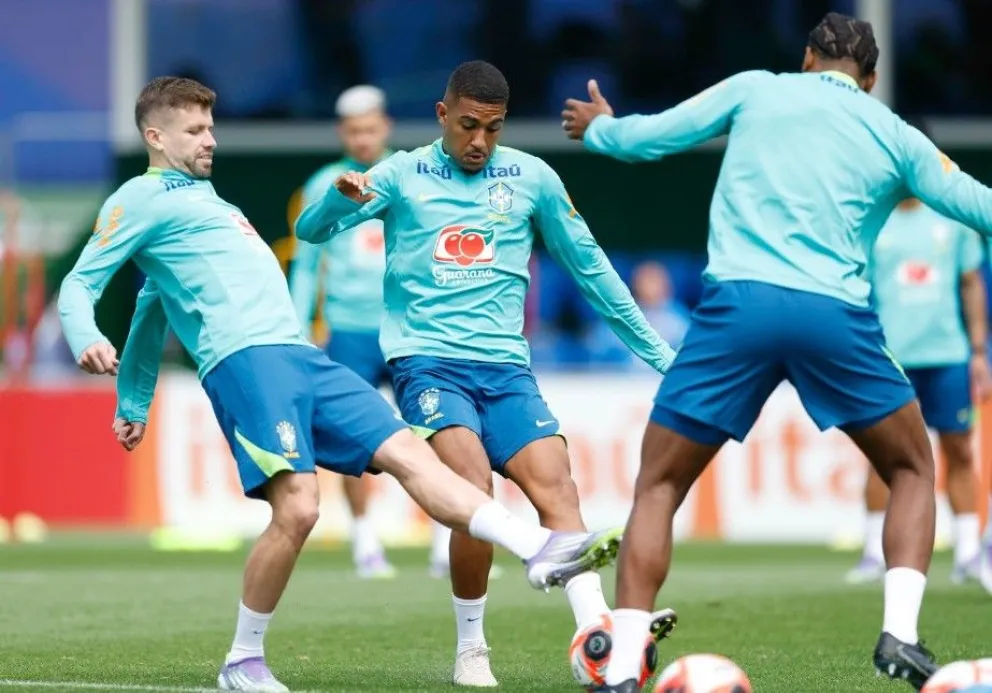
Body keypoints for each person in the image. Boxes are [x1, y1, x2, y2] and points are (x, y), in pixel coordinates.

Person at [58, 75, 625, 693]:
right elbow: (81, 283)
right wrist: (87, 335)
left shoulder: (210, 203)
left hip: (304, 356)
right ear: (154, 136)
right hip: (247, 363)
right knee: (300, 508)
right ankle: (243, 661)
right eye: (196, 131)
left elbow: (152, 303)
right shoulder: (137, 199)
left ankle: (539, 547)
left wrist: (134, 400)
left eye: (211, 127)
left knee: (411, 452)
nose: (211, 141)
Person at [562, 12, 992, 692]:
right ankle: (900, 635)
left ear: (806, 58)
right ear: (871, 79)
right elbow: (976, 202)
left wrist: (601, 128)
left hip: (737, 310)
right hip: (834, 318)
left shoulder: (755, 88)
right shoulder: (895, 132)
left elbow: (653, 136)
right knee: (912, 465)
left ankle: (618, 666)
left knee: (660, 484)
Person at [296, 60, 679, 688]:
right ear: (443, 115)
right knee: (472, 488)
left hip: (505, 368)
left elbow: (592, 270)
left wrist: (663, 357)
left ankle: (597, 633)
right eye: (468, 125)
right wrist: (334, 202)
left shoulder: (533, 178)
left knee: (557, 483)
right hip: (427, 363)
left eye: (493, 129)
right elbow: (312, 235)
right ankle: (472, 646)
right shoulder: (400, 174)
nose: (479, 142)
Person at [290, 84, 471, 581]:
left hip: (408, 328)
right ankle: (366, 541)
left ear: (384, 127)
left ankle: (444, 543)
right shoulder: (323, 184)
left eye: (370, 129)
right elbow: (307, 263)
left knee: (438, 432)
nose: (363, 139)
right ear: (341, 133)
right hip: (348, 330)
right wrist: (298, 325)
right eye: (354, 131)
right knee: (356, 439)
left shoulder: (406, 174)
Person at [847, 146, 992, 585]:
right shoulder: (874, 222)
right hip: (891, 359)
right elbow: (855, 288)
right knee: (880, 455)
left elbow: (970, 284)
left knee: (959, 451)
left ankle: (968, 552)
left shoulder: (953, 221)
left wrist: (979, 351)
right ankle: (874, 552)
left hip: (948, 356)